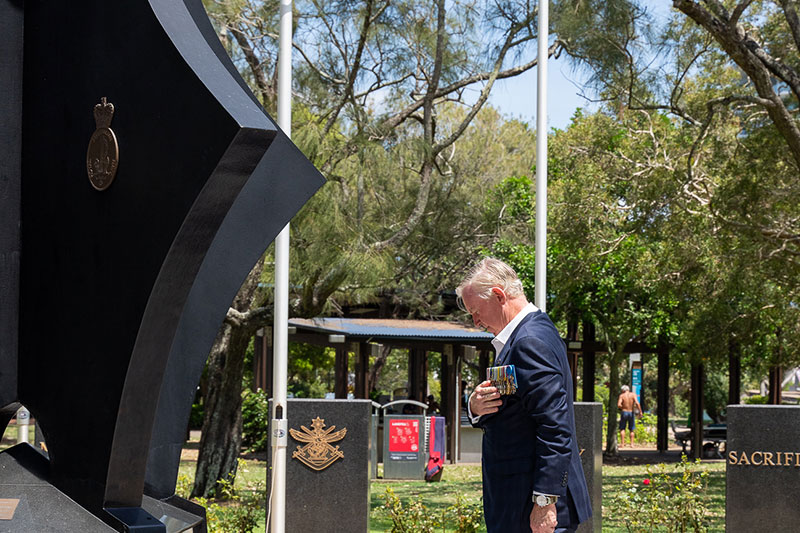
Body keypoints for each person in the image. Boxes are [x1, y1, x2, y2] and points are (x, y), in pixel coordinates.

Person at [458, 258, 591, 533]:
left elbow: (555, 428)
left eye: (476, 311)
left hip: (531, 506)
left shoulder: (529, 341)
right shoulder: (528, 333)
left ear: (499, 296)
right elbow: (513, 410)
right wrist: (475, 406)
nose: (475, 321)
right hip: (518, 502)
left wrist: (544, 501)